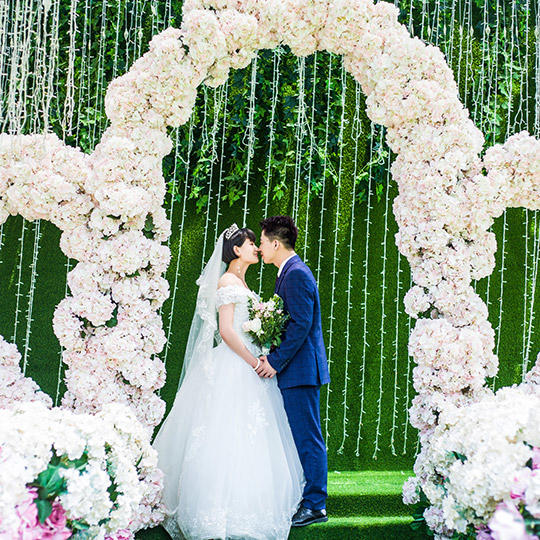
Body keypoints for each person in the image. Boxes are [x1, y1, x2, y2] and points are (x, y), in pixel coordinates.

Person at [152, 223, 304, 540]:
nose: (257, 248)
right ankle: (216, 511)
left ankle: (247, 505)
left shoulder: (243, 283)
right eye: (251, 244)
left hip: (251, 362)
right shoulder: (227, 282)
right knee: (225, 432)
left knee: (251, 435)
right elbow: (227, 331)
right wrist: (254, 361)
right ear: (236, 250)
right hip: (236, 364)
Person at [256, 215, 331, 527]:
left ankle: (315, 505)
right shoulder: (289, 272)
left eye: (262, 242)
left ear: (275, 243)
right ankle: (308, 498)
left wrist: (275, 361)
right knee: (302, 436)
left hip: (301, 371)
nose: (259, 248)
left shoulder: (296, 274)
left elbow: (301, 324)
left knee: (308, 437)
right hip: (297, 371)